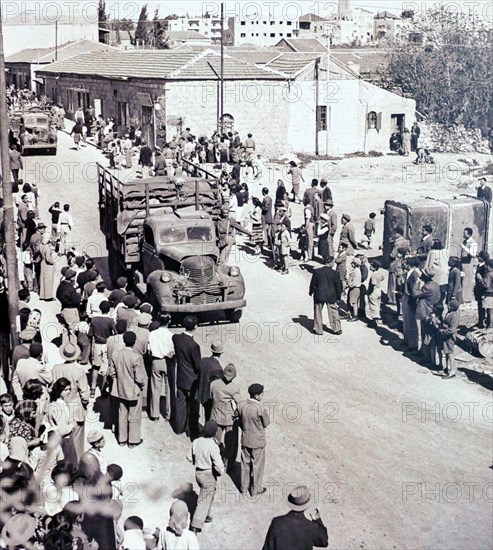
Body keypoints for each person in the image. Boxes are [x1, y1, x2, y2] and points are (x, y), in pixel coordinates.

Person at [52, 341, 89, 463]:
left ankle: (64, 465)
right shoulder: (79, 371)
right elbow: (84, 394)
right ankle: (76, 465)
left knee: (62, 439)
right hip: (75, 407)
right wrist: (85, 403)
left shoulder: (56, 369)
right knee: (77, 440)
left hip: (60, 405)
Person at [108, 331, 146, 447]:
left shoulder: (116, 354)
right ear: (135, 342)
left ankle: (122, 439)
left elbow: (112, 373)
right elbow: (140, 378)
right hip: (133, 389)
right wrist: (141, 385)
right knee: (134, 415)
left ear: (124, 341)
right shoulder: (136, 357)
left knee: (122, 413)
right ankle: (133, 441)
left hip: (119, 388)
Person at [262, 485, 329, 550]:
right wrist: (317, 520)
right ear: (307, 504)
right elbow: (324, 542)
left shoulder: (276, 522)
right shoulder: (311, 527)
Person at [187, 420, 224, 534]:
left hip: (198, 472)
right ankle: (195, 525)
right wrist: (220, 472)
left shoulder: (197, 441)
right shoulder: (213, 445)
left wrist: (196, 460)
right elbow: (218, 465)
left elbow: (189, 457)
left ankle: (205, 515)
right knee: (204, 500)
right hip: (208, 474)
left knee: (209, 494)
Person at [238, 383, 270, 497]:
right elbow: (266, 423)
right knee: (257, 465)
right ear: (257, 396)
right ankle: (255, 490)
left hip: (245, 438)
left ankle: (243, 488)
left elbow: (238, 419)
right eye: (261, 394)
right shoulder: (260, 408)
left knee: (245, 464)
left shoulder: (241, 405)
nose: (262, 396)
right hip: (258, 441)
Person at [172, 316, 201, 438]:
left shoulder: (176, 338)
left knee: (180, 404)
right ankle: (193, 432)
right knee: (194, 408)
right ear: (195, 327)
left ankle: (179, 428)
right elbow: (197, 364)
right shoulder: (194, 345)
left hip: (180, 377)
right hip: (191, 380)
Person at [210, 364, 240, 471]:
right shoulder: (234, 388)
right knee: (230, 443)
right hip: (229, 419)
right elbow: (239, 403)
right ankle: (227, 464)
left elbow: (210, 397)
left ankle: (213, 461)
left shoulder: (214, 384)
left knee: (215, 440)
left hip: (216, 415)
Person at [147, 313, 175, 422]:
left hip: (156, 361)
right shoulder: (171, 335)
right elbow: (173, 350)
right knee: (169, 389)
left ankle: (155, 414)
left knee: (155, 388)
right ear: (169, 321)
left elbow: (149, 349)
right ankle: (169, 414)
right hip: (168, 362)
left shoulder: (152, 334)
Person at [43, 378, 77, 466]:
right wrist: (72, 425)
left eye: (69, 389)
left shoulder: (57, 403)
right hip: (63, 441)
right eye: (65, 390)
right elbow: (63, 430)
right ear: (59, 390)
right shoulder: (57, 407)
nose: (68, 392)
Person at [309, 257, 343, 336]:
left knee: (318, 312)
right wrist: (338, 296)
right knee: (333, 312)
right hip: (331, 296)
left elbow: (313, 283)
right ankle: (337, 329)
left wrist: (311, 292)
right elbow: (338, 286)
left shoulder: (317, 271)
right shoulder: (335, 273)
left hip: (319, 294)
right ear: (331, 263)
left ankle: (318, 330)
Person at [196, 342, 224, 423]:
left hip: (202, 393)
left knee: (206, 415)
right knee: (211, 418)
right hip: (211, 396)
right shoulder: (217, 367)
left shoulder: (203, 360)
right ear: (221, 353)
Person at [439, 300, 460, 379]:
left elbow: (452, 329)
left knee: (450, 353)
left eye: (449, 305)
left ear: (452, 307)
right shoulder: (450, 313)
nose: (447, 306)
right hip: (446, 336)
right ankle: (447, 368)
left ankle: (452, 372)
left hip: (449, 337)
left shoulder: (454, 316)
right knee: (447, 352)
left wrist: (443, 332)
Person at [424, 239, 449, 305]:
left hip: (435, 276)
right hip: (444, 276)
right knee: (442, 293)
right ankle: (440, 305)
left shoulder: (432, 252)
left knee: (434, 293)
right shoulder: (445, 251)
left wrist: (429, 273)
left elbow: (427, 266)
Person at [460, 227, 478, 302]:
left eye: (465, 233)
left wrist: (464, 248)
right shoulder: (464, 241)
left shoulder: (473, 243)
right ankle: (462, 297)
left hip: (468, 264)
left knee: (467, 280)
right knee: (462, 280)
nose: (463, 234)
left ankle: (467, 298)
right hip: (463, 263)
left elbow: (473, 254)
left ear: (469, 234)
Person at [39, 233, 59, 301]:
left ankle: (42, 295)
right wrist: (54, 261)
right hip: (48, 265)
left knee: (43, 280)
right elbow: (48, 259)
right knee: (48, 281)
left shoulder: (41, 245)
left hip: (42, 263)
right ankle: (48, 296)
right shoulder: (47, 248)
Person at [367, 260, 385, 327]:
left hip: (373, 291)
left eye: (371, 266)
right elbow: (383, 278)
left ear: (374, 267)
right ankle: (377, 319)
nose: (370, 267)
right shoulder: (379, 273)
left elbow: (373, 283)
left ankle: (374, 321)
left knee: (373, 306)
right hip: (378, 290)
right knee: (377, 305)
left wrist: (370, 289)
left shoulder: (373, 275)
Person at [474, 251, 490, 328]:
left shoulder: (485, 267)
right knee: (479, 306)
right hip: (478, 289)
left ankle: (484, 323)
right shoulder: (479, 265)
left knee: (484, 307)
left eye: (479, 257)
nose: (477, 258)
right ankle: (480, 321)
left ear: (482, 258)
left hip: (482, 289)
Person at [346, 257, 362, 321]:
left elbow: (355, 282)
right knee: (350, 301)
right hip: (352, 288)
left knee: (354, 303)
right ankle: (349, 314)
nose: (351, 263)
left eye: (352, 263)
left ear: (355, 264)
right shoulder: (355, 270)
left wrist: (348, 285)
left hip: (355, 288)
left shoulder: (357, 271)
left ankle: (355, 316)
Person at [481, 259, 493, 329]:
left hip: (488, 294)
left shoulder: (488, 274)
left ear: (488, 266)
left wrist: (480, 279)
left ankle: (490, 325)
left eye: (485, 265)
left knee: (489, 310)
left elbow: (486, 285)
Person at [261, 187, 273, 255]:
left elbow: (265, 208)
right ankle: (269, 244)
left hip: (266, 217)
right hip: (269, 216)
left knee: (265, 232)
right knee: (268, 232)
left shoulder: (266, 199)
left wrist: (260, 206)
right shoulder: (270, 198)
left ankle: (267, 243)